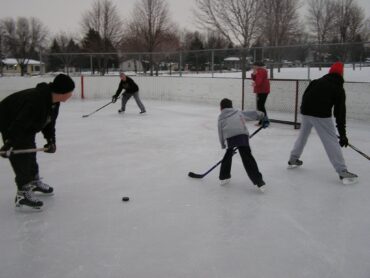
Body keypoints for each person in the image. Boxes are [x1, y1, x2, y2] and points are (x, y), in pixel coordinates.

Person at [0, 74, 75, 210]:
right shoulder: (36, 100)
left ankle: (33, 181)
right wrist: (10, 142)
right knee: (21, 155)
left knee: (30, 151)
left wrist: (50, 140)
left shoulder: (54, 102)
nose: (71, 94)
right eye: (70, 91)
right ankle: (22, 193)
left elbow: (49, 123)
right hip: (10, 121)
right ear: (62, 91)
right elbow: (20, 123)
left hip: (26, 124)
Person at [288, 62, 358, 184]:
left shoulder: (316, 81)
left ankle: (293, 159)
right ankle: (342, 171)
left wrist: (304, 110)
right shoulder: (338, 87)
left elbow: (305, 96)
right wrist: (342, 135)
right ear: (341, 73)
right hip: (320, 115)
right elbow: (340, 114)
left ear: (330, 72)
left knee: (302, 136)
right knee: (331, 141)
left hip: (305, 112)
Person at [218, 98, 268, 191]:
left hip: (230, 138)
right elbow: (252, 114)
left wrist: (223, 145)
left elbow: (220, 132)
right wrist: (263, 116)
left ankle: (224, 177)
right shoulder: (238, 112)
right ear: (231, 106)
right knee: (247, 158)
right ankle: (259, 182)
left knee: (228, 155)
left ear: (221, 108)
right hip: (242, 136)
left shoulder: (221, 117)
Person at [251, 61, 270, 127]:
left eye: (254, 65)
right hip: (262, 90)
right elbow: (255, 78)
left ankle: (264, 121)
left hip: (263, 90)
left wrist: (255, 84)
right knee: (260, 106)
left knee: (260, 106)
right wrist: (253, 74)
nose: (253, 67)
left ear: (257, 66)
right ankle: (263, 121)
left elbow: (259, 80)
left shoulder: (261, 70)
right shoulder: (259, 71)